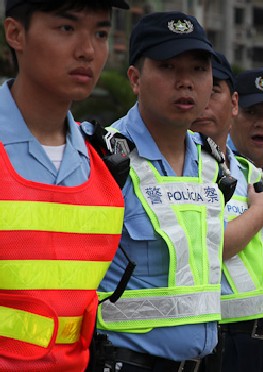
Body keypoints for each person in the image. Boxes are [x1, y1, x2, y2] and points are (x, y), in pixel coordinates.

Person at [0, 0, 129, 370]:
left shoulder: (104, 166)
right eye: (66, 29)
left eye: (100, 33)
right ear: (16, 34)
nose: (88, 51)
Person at [95, 12, 226, 371]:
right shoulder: (105, 157)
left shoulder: (212, 162)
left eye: (199, 70)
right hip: (126, 362)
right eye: (168, 67)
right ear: (135, 79)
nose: (185, 82)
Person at [193, 55, 263, 372]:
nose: (262, 123)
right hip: (222, 336)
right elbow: (210, 249)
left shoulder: (253, 173)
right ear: (236, 110)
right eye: (253, 112)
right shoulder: (193, 164)